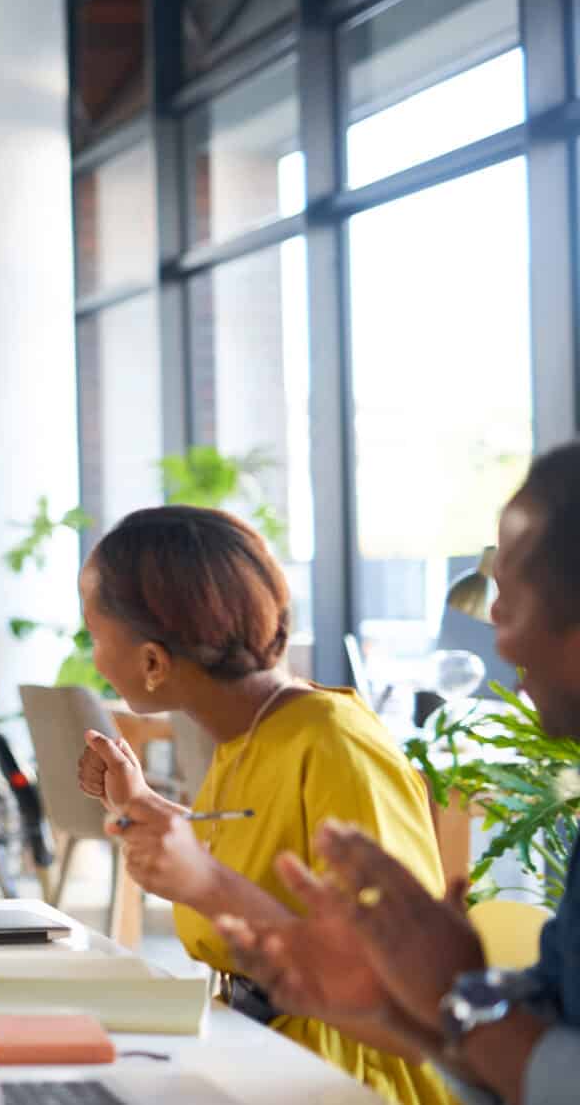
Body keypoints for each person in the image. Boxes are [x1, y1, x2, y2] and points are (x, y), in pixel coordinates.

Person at [216, 444, 580, 1105]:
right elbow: (544, 1044)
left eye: (514, 597)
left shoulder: (326, 732)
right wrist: (394, 1004)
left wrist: (454, 1000)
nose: (497, 631)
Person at [74, 505, 452, 1105]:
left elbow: (399, 985)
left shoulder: (333, 742)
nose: (93, 658)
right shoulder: (247, 733)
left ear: (152, 662)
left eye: (94, 637)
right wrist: (143, 802)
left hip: (344, 1080)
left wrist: (205, 882)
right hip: (253, 1047)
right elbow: (258, 860)